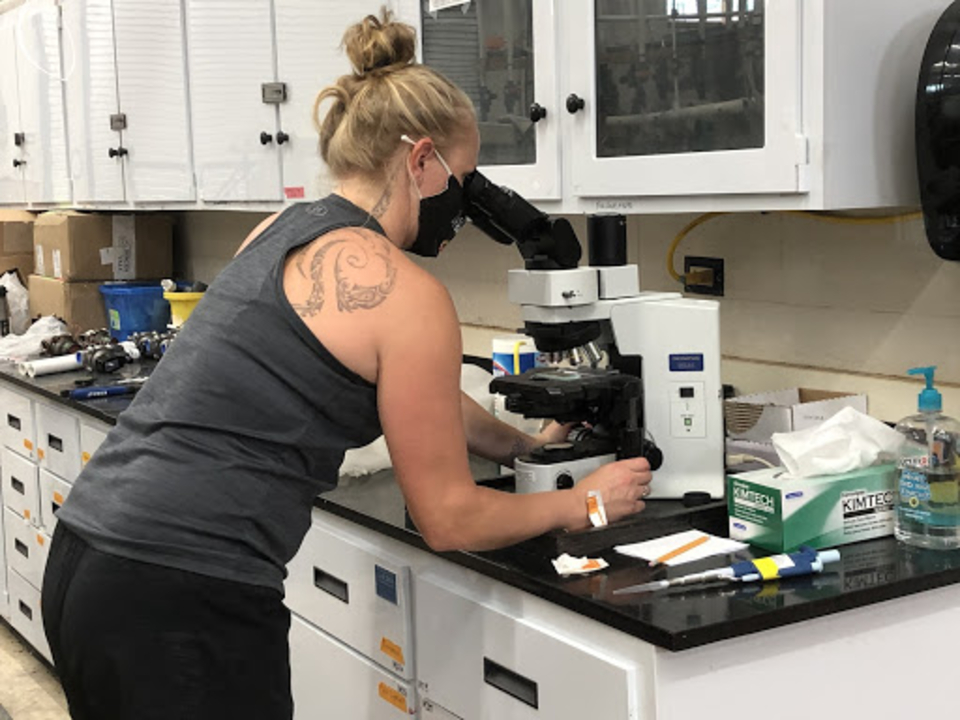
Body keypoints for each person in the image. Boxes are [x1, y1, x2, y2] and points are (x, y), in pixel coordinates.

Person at [40, 9, 652, 720]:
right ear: (421, 161)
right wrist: (586, 501)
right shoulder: (408, 294)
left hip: (90, 558)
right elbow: (448, 520)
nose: (466, 205)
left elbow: (419, 399)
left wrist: (524, 448)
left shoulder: (279, 228)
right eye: (464, 179)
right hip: (184, 594)